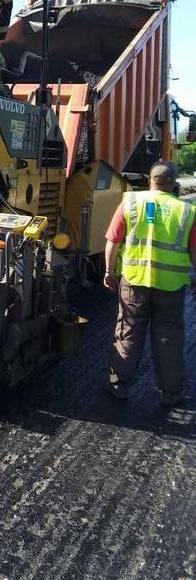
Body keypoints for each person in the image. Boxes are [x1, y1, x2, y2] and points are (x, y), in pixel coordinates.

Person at [103, 160, 196, 407]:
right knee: (169, 336)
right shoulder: (186, 211)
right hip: (171, 286)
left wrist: (109, 271)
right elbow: (194, 250)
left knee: (129, 331)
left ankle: (119, 384)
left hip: (134, 281)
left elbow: (113, 241)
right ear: (174, 184)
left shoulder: (132, 202)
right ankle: (171, 393)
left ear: (150, 180)